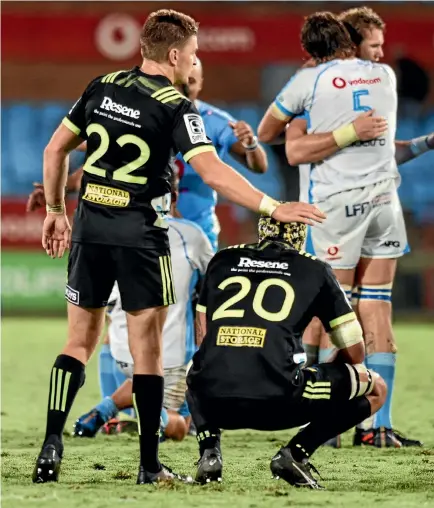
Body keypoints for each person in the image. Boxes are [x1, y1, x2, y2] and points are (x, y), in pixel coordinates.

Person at [33, 9, 325, 486]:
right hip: (141, 236)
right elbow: (211, 172)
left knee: (78, 343)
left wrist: (55, 211)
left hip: (88, 228)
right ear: (173, 54)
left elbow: (54, 151)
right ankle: (149, 466)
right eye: (192, 54)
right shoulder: (176, 106)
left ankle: (50, 444)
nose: (194, 63)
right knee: (148, 353)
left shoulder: (101, 85)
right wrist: (273, 206)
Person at [259, 8, 429, 448]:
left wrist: (327, 124)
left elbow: (280, 140)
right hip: (384, 205)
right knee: (376, 306)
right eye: (373, 43)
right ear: (352, 43)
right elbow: (384, 147)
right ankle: (376, 424)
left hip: (333, 208)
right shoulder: (385, 78)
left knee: (329, 311)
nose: (379, 51)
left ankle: (326, 416)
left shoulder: (309, 82)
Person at [186, 213, 387, 488]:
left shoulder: (222, 259)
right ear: (300, 236)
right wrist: (331, 370)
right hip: (279, 400)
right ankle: (295, 454)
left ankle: (209, 453)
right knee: (376, 387)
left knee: (196, 369)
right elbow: (355, 350)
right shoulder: (314, 268)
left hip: (215, 401)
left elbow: (203, 337)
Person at [73, 173, 214, 441]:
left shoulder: (112, 235)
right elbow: (215, 280)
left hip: (121, 351)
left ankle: (104, 409)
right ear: (173, 197)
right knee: (182, 424)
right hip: (169, 358)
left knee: (140, 371)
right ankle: (154, 419)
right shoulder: (190, 234)